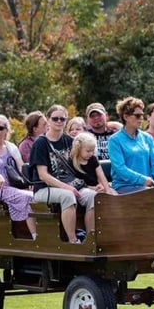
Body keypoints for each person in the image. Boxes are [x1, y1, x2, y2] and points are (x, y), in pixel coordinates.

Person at [29, 104, 97, 244]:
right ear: (48, 120)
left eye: (62, 119)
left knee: (93, 196)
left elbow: (83, 166)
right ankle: (73, 241)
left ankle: (91, 240)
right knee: (68, 196)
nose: (59, 121)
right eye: (55, 118)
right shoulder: (40, 144)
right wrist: (67, 187)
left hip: (72, 185)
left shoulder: (70, 141)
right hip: (44, 189)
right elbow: (43, 175)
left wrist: (95, 185)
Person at [0, 114, 38, 240]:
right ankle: (34, 236)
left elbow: (22, 168)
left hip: (13, 188)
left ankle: (34, 233)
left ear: (6, 130)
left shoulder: (11, 147)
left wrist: (32, 183)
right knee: (28, 197)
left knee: (36, 195)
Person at [108, 96, 154, 193]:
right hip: (125, 186)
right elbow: (120, 168)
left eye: (142, 115)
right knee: (153, 195)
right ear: (126, 117)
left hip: (149, 185)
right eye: (137, 116)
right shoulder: (114, 140)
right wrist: (142, 180)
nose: (141, 119)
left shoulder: (147, 138)